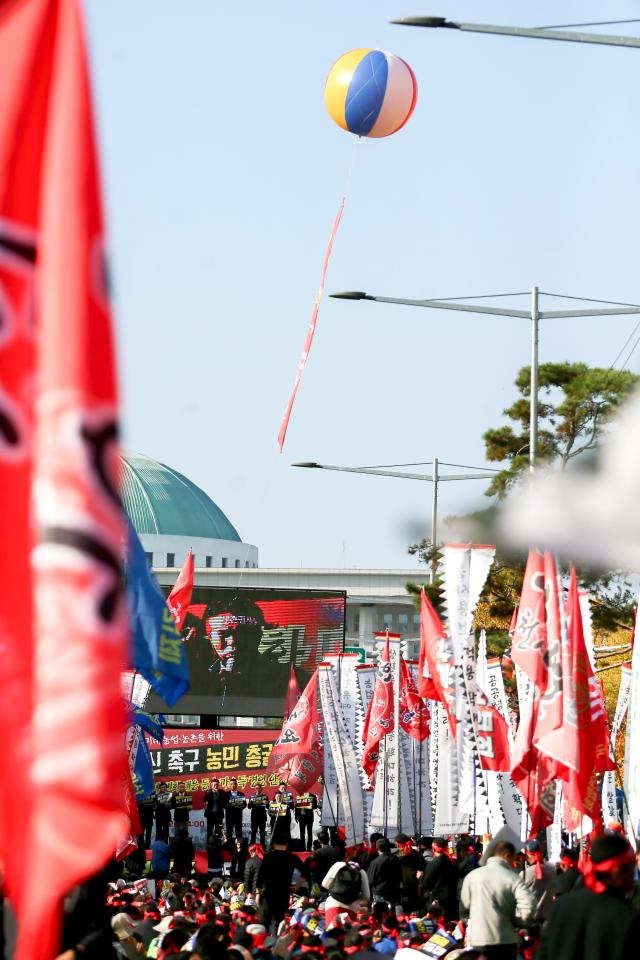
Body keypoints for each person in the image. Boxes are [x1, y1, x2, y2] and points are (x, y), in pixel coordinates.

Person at [537, 833, 640, 960]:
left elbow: (543, 954)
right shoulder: (627, 917)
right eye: (631, 867)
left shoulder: (560, 906)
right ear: (617, 870)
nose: (633, 874)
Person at [459, 839, 536, 960]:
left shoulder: (472, 876)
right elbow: (530, 906)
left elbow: (464, 905)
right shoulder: (513, 878)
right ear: (507, 856)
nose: (514, 863)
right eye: (513, 859)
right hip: (505, 939)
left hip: (478, 938)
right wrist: (519, 922)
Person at [256, 837, 305, 933]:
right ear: (286, 845)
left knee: (264, 921)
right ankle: (276, 943)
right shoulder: (292, 857)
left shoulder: (268, 856)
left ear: (273, 844)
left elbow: (261, 876)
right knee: (278, 921)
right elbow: (305, 871)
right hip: (283, 893)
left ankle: (263, 942)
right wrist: (297, 886)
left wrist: (258, 892)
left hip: (269, 893)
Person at [322, 856, 370, 927]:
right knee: (346, 935)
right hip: (351, 908)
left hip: (333, 904)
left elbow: (324, 884)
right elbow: (367, 897)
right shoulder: (362, 872)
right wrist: (357, 902)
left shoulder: (338, 865)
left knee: (332, 933)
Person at [421, 838, 458, 920]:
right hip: (452, 896)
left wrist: (420, 877)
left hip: (438, 899)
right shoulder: (451, 861)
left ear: (433, 849)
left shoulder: (434, 863)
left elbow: (425, 883)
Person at [520, 838, 556, 921]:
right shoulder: (552, 869)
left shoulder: (526, 874)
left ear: (527, 855)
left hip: (530, 918)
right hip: (548, 917)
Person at [367, 838, 402, 911]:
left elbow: (370, 880)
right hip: (394, 893)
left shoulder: (375, 862)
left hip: (379, 895)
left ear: (377, 849)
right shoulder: (395, 859)